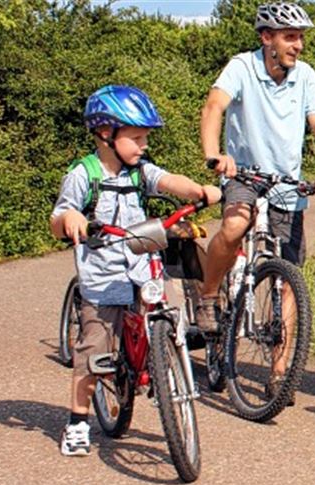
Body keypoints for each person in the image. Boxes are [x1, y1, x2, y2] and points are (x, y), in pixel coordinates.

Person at [50, 85, 222, 456]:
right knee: (95, 348)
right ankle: (77, 422)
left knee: (166, 309)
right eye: (137, 138)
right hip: (104, 275)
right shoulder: (84, 174)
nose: (144, 145)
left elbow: (168, 180)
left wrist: (198, 190)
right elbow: (59, 217)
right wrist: (71, 218)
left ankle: (162, 359)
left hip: (141, 266)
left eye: (146, 138)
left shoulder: (140, 172)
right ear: (105, 134)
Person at [196, 2, 315, 403]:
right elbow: (214, 107)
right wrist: (214, 154)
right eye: (290, 37)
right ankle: (209, 296)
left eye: (300, 37)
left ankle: (279, 374)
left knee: (288, 280)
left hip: (286, 184)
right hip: (244, 174)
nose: (298, 45)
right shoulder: (241, 67)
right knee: (234, 225)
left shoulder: (306, 76)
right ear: (266, 38)